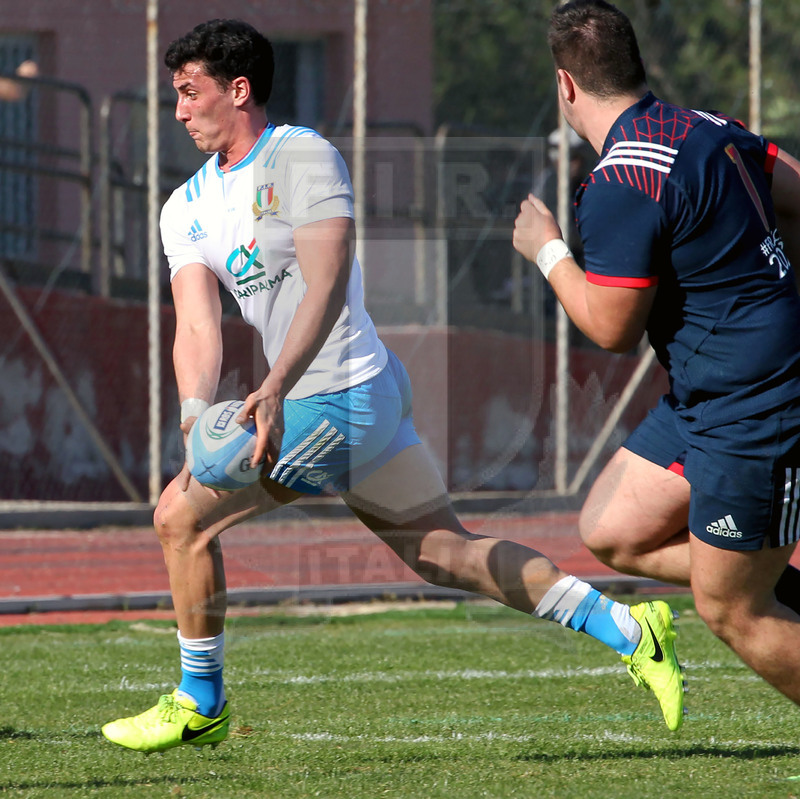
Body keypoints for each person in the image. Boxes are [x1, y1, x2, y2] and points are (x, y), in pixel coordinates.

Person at [101, 18, 683, 754]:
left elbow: (328, 277)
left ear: (238, 90)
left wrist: (277, 383)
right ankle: (630, 628)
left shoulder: (302, 157)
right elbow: (196, 324)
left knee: (180, 518)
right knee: (444, 551)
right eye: (175, 96)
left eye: (190, 93)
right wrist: (193, 415)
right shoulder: (182, 207)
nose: (178, 109)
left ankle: (199, 700)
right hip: (347, 397)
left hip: (340, 393)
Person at [513, 0, 800, 715]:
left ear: (567, 86)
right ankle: (750, 575)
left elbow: (609, 329)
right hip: (708, 394)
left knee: (731, 607)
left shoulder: (619, 183)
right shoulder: (703, 126)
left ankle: (748, 584)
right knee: (611, 527)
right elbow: (794, 187)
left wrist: (547, 250)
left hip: (755, 402)